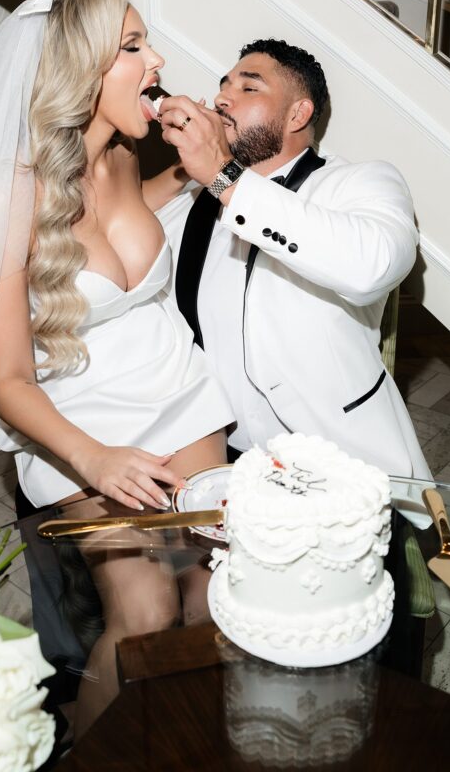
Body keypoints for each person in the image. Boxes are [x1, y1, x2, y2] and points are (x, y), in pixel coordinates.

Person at [0, 0, 234, 729]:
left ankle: (184, 738)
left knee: (210, 589)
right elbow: (8, 378)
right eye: (132, 46)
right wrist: (95, 460)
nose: (156, 61)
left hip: (172, 383)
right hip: (73, 416)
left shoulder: (125, 151)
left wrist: (194, 178)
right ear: (81, 72)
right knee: (147, 609)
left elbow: (129, 225)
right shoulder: (12, 194)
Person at [154, 38, 432, 491]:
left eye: (249, 88)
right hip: (208, 465)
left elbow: (373, 266)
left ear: (298, 115)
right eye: (223, 85)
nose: (223, 97)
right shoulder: (190, 201)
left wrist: (225, 178)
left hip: (334, 467)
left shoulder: (359, 182)